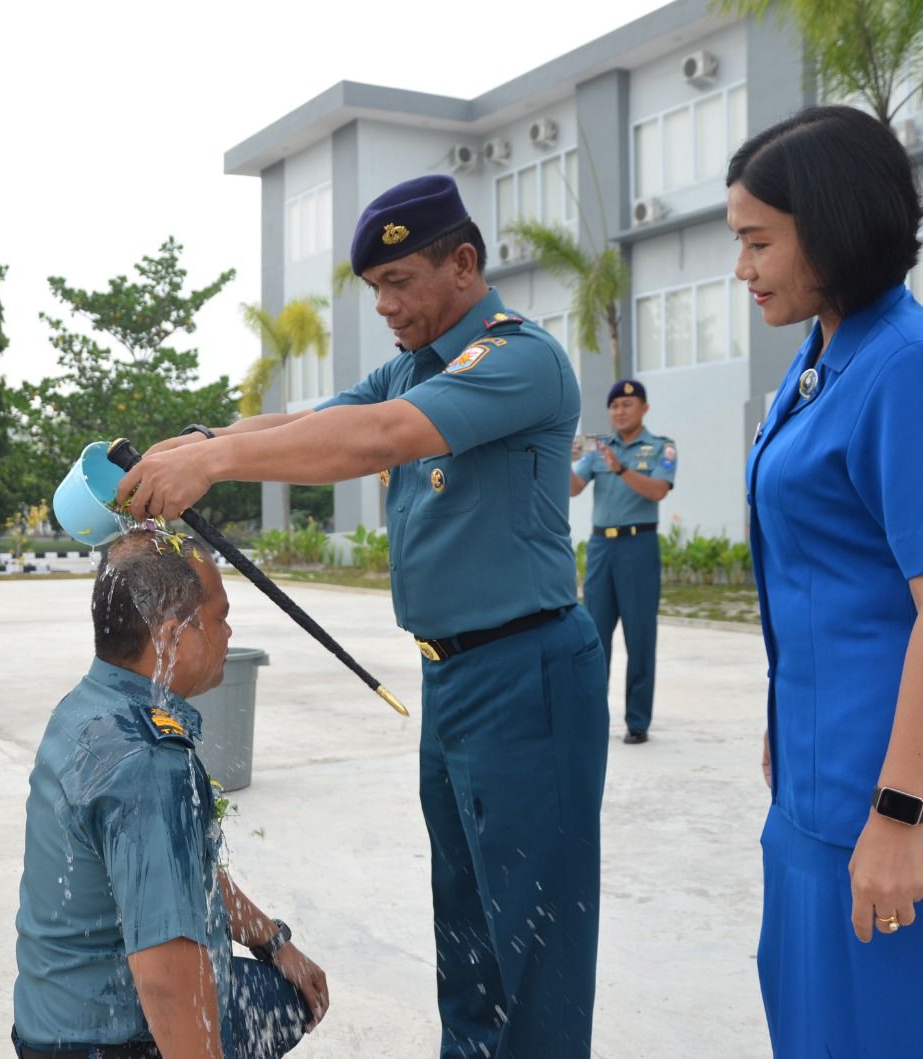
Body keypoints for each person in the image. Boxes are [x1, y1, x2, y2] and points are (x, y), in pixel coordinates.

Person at [115, 175, 608, 1058]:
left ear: (463, 264)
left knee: (534, 941)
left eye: (400, 282)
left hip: (526, 672)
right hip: (452, 675)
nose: (384, 305)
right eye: (374, 289)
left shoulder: (517, 357)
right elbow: (316, 418)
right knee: (465, 927)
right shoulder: (413, 366)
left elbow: (377, 439)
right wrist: (198, 444)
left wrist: (216, 462)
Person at [730, 105, 923, 1056]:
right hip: (819, 788)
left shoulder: (912, 367)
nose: (744, 269)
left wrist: (899, 817)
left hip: (903, 804)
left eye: (758, 242)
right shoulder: (819, 359)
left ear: (835, 223)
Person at [13, 530, 327, 1059]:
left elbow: (189, 867)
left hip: (56, 1022)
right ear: (171, 637)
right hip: (113, 1042)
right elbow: (166, 976)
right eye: (220, 617)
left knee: (282, 994)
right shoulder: (150, 763)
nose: (229, 632)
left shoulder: (91, 705)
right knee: (259, 1004)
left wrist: (271, 939)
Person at [570, 379, 675, 744]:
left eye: (627, 405)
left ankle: (637, 721)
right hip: (601, 549)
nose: (619, 412)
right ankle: (591, 718)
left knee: (640, 637)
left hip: (639, 546)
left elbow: (658, 490)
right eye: (614, 406)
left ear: (643, 408)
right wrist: (558, 458)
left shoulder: (661, 448)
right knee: (594, 637)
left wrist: (620, 470)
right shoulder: (597, 450)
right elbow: (572, 487)